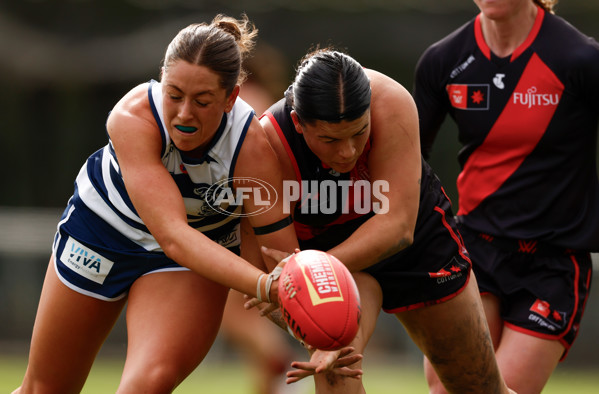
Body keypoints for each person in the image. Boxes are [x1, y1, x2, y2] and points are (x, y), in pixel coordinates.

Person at [13, 14, 300, 394]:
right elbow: (173, 235)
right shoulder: (132, 116)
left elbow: (283, 260)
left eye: (202, 101)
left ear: (231, 98)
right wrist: (267, 286)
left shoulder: (252, 147)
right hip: (103, 231)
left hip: (191, 254)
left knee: (147, 385)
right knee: (45, 388)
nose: (183, 114)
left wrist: (325, 333)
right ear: (160, 82)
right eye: (174, 95)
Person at [255, 48, 515, 394]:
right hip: (337, 258)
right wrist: (293, 295)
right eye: (331, 139)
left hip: (414, 245)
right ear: (299, 124)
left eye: (359, 133)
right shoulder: (267, 144)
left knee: (479, 388)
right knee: (333, 368)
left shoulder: (390, 101)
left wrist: (310, 275)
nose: (347, 151)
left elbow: (397, 227)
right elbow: (271, 265)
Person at [413, 1, 599, 393]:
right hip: (475, 250)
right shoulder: (444, 60)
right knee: (446, 385)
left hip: (553, 263)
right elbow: (409, 163)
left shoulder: (581, 59)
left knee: (499, 387)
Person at [219, 42, 300, 394]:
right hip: (270, 218)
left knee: (236, 315)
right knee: (250, 312)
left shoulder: (238, 101)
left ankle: (280, 362)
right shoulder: (267, 99)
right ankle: (276, 375)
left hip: (240, 223)